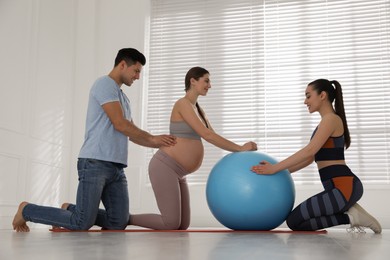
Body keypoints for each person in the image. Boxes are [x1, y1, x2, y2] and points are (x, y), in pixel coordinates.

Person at [12, 48, 177, 232]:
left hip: (117, 167)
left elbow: (130, 133)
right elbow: (120, 124)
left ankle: (70, 210)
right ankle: (26, 210)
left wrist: (159, 143)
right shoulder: (104, 84)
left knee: (118, 222)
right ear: (123, 65)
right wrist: (154, 138)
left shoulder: (124, 98)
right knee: (81, 223)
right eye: (136, 71)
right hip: (95, 162)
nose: (138, 76)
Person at [129, 66, 258, 230]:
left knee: (182, 225)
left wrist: (240, 149)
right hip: (165, 166)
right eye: (206, 80)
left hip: (179, 172)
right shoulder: (183, 104)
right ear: (193, 81)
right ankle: (125, 219)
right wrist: (240, 148)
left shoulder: (198, 109)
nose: (209, 85)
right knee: (171, 223)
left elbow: (213, 134)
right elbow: (207, 135)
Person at [251, 79, 382, 234]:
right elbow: (309, 158)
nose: (305, 101)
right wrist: (282, 172)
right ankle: (352, 214)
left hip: (344, 187)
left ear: (322, 95)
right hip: (337, 188)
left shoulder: (331, 120)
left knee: (295, 221)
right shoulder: (325, 122)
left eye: (308, 96)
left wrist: (275, 168)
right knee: (295, 222)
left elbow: (309, 150)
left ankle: (352, 218)